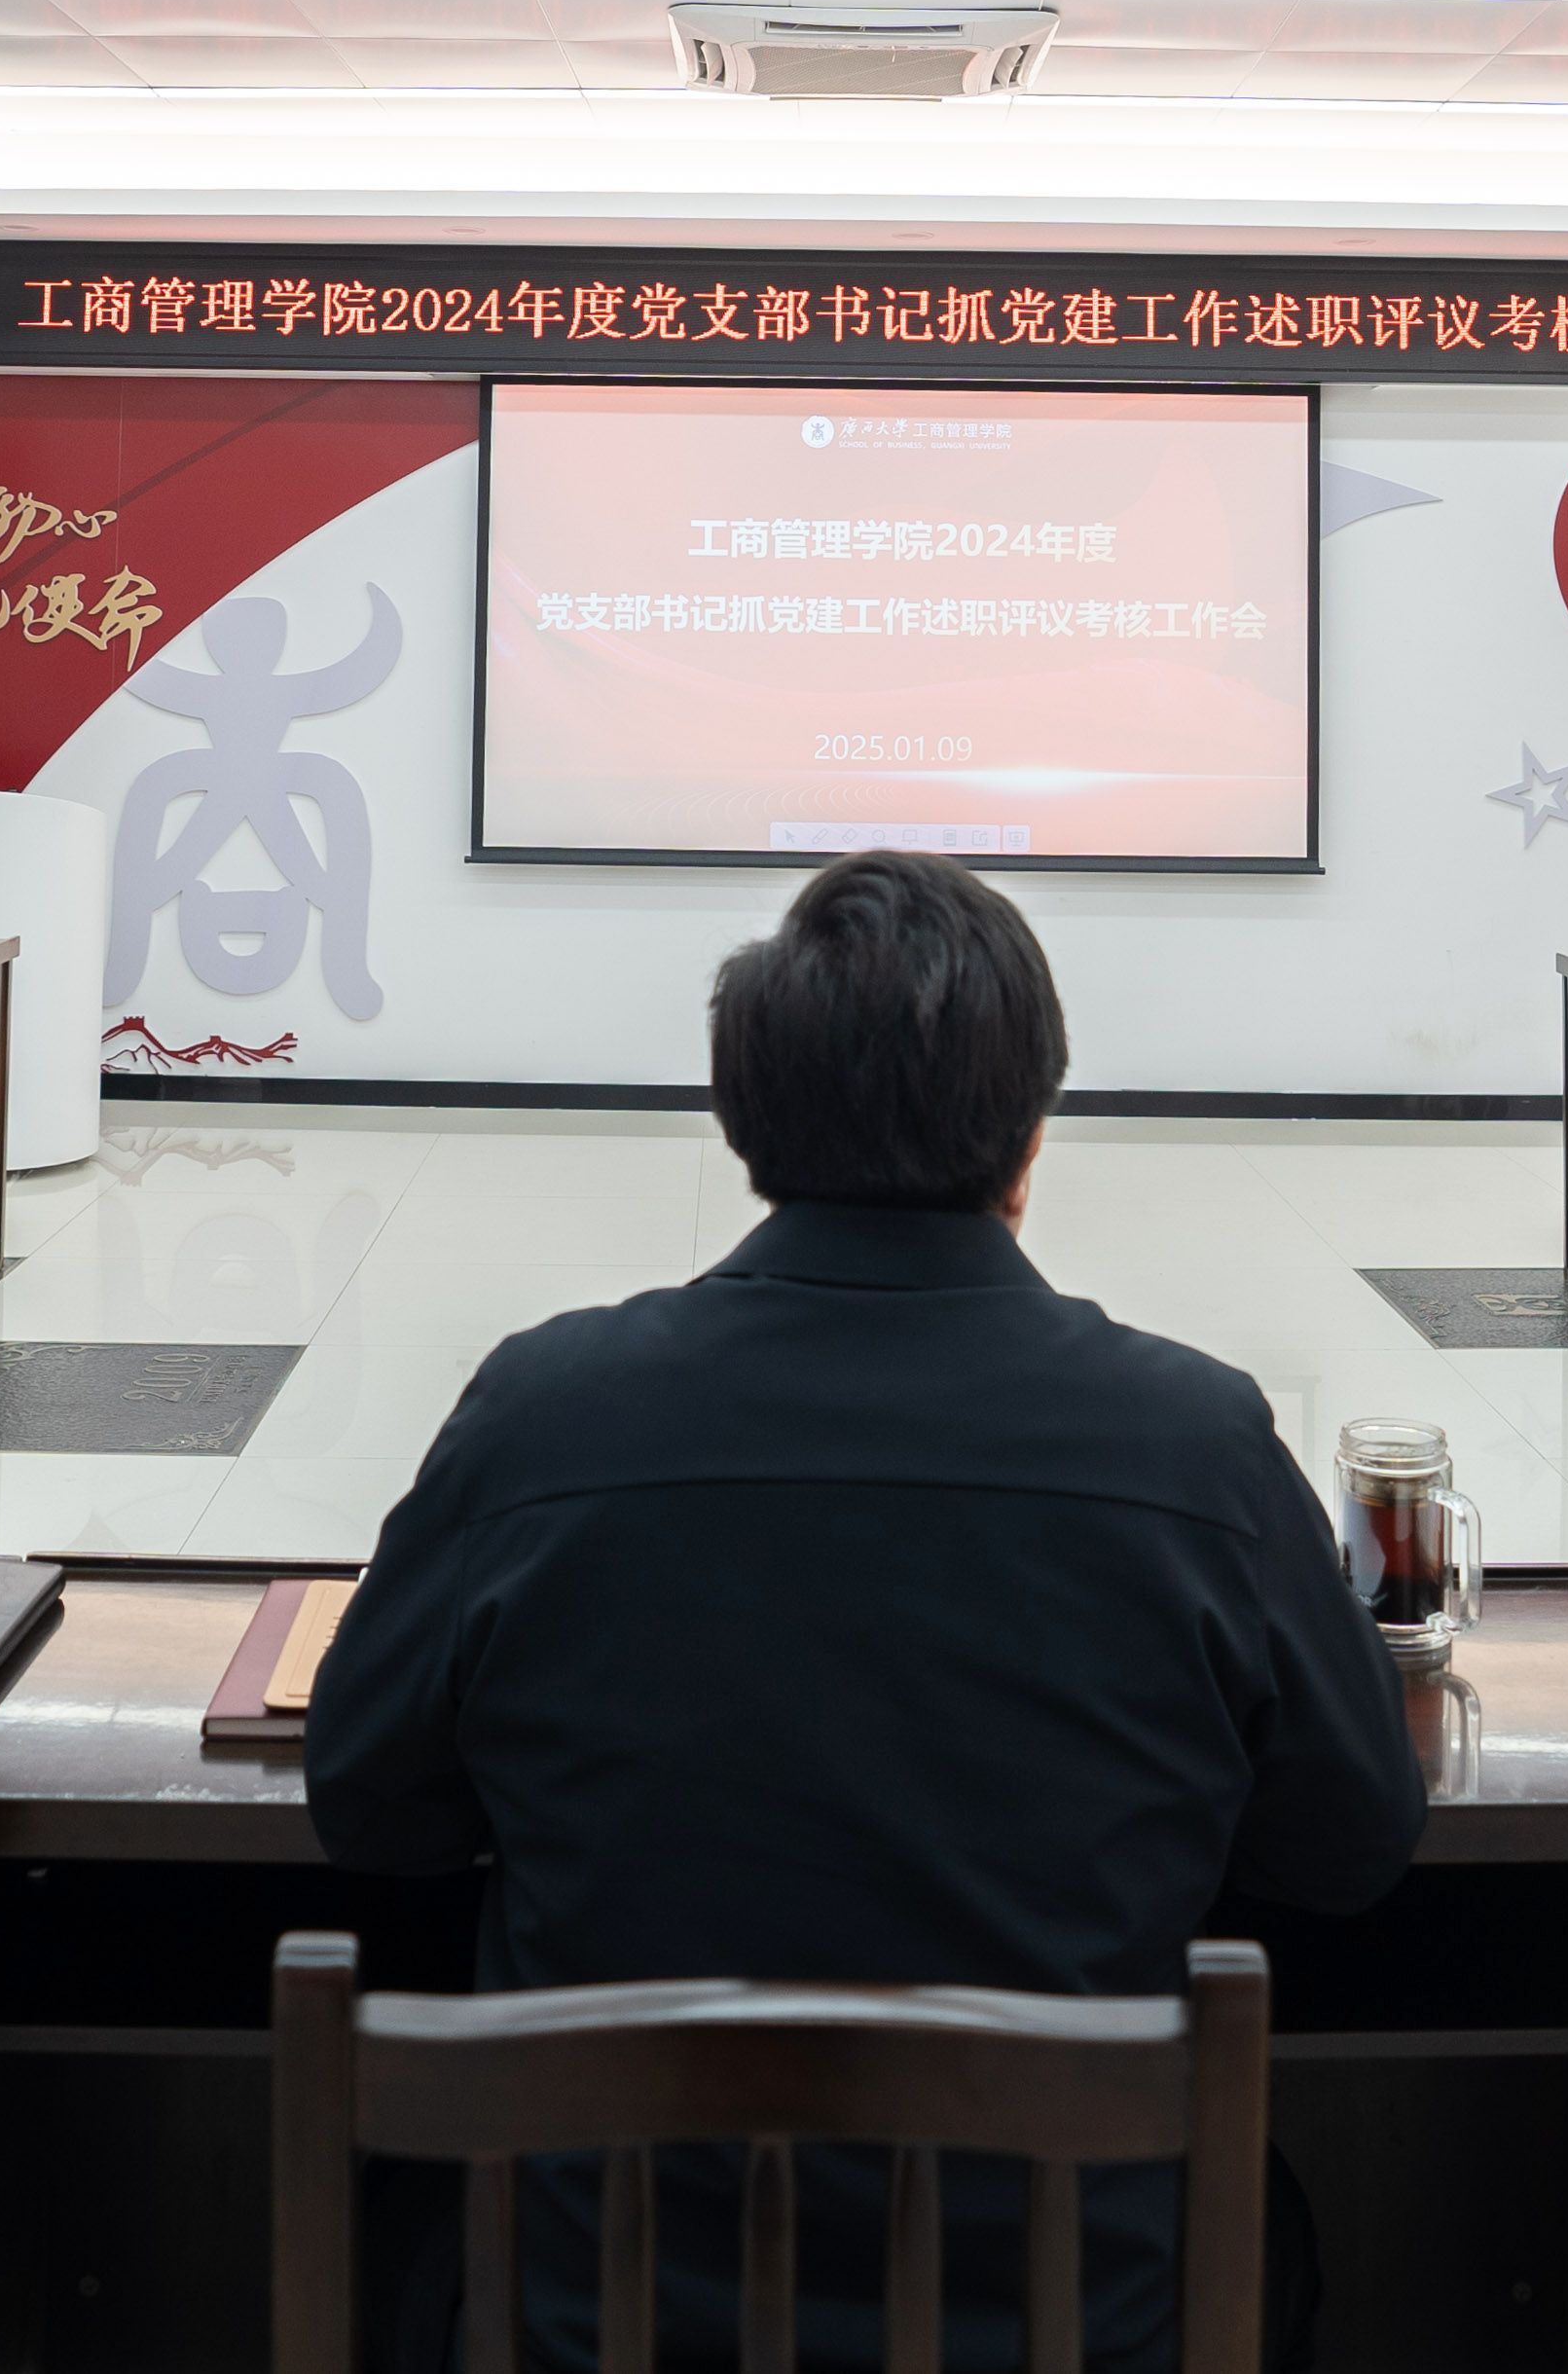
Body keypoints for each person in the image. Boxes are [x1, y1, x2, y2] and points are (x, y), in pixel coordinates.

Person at [311, 851, 1423, 2374]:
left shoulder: (542, 1411)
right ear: (1030, 1131)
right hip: (1084, 2328)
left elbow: (372, 1805)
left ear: (743, 1121)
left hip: (601, 2325)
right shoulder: (1195, 1443)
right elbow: (1351, 1844)